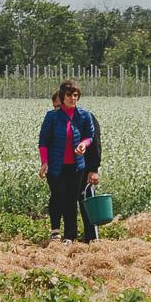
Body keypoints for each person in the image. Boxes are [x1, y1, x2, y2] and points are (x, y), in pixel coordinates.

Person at [39, 81, 103, 243]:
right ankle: (58, 231)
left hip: (79, 166)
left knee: (74, 200)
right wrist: (44, 162)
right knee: (59, 195)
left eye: (76, 95)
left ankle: (75, 236)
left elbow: (92, 139)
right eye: (69, 95)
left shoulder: (85, 116)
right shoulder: (52, 117)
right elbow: (44, 141)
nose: (73, 98)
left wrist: (85, 147)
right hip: (56, 166)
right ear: (63, 97)